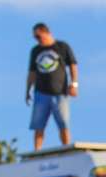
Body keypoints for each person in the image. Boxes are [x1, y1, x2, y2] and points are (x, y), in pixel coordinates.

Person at [26, 22, 78, 150]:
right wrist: (27, 90)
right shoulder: (35, 50)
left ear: (46, 32)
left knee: (63, 124)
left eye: (38, 36)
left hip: (60, 92)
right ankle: (37, 151)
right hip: (41, 93)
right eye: (35, 38)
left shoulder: (62, 46)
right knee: (38, 126)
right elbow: (32, 72)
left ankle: (66, 149)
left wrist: (74, 84)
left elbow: (73, 65)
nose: (37, 40)